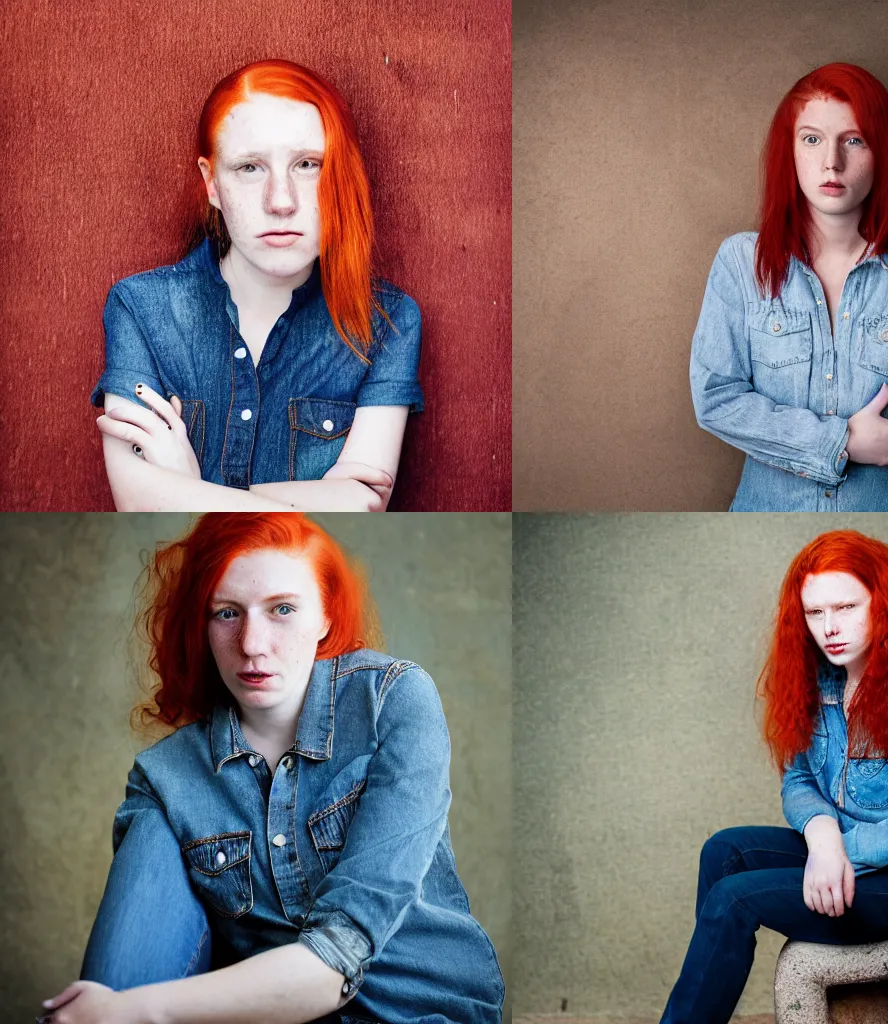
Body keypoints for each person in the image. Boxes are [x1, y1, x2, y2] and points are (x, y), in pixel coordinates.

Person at [41, 514, 502, 1024]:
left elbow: (339, 955)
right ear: (202, 624)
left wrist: (134, 1011)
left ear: (326, 615)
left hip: (418, 1012)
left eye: (282, 609)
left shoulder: (392, 700)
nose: (252, 644)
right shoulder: (164, 777)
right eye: (226, 613)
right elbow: (136, 961)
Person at [659, 530, 888, 1023]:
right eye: (815, 613)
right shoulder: (823, 684)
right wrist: (823, 836)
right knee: (724, 851)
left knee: (733, 899)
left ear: (884, 603)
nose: (830, 626)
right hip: (846, 849)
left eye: (846, 607)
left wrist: (839, 854)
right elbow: (799, 779)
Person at [92, 60, 423, 512]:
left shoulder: (388, 322)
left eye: (308, 165)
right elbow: (136, 506)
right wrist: (326, 498)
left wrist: (184, 492)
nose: (281, 201)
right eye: (249, 168)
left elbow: (364, 509)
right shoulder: (139, 308)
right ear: (212, 183)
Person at [689, 64, 888, 511]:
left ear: (881, 153)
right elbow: (717, 399)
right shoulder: (741, 263)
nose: (831, 162)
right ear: (790, 151)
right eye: (812, 139)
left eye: (853, 140)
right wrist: (842, 442)